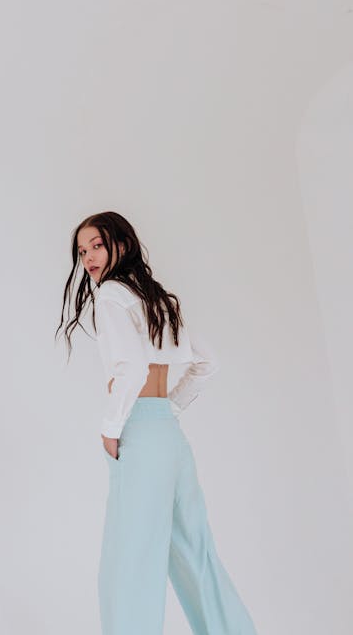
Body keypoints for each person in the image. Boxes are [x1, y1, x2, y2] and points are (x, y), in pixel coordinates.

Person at [56, 211, 259, 635]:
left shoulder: (111, 295)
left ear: (123, 245)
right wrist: (170, 409)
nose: (89, 257)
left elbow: (129, 369)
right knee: (195, 553)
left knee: (128, 563)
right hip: (169, 434)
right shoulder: (158, 298)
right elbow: (208, 363)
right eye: (82, 250)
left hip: (140, 434)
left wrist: (112, 429)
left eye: (97, 245)